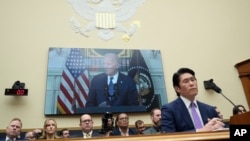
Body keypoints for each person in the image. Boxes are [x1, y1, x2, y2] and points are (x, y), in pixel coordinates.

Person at [161, 67, 225, 133]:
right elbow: (168, 136)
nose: (191, 83)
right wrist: (200, 131)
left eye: (193, 79)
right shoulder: (169, 110)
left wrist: (219, 128)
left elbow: (220, 131)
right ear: (177, 89)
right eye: (186, 81)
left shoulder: (210, 109)